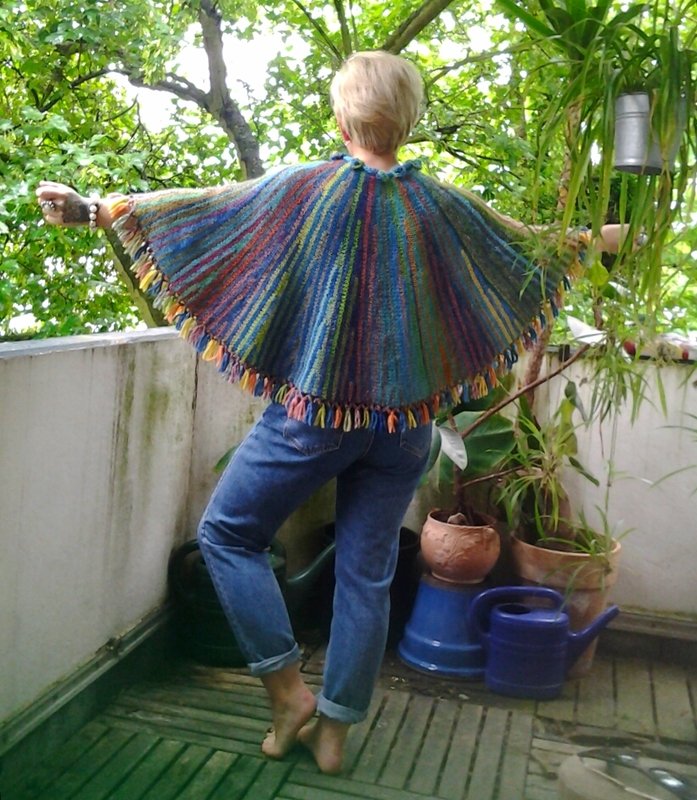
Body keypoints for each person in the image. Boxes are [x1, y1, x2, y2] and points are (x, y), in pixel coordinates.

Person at [36, 50, 626, 774]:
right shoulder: (441, 207)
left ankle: (289, 694)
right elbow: (529, 248)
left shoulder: (304, 190)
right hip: (405, 427)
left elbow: (205, 213)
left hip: (317, 420)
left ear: (343, 119)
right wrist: (612, 238)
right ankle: (336, 732)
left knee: (226, 534)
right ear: (408, 120)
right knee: (364, 576)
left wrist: (94, 211)